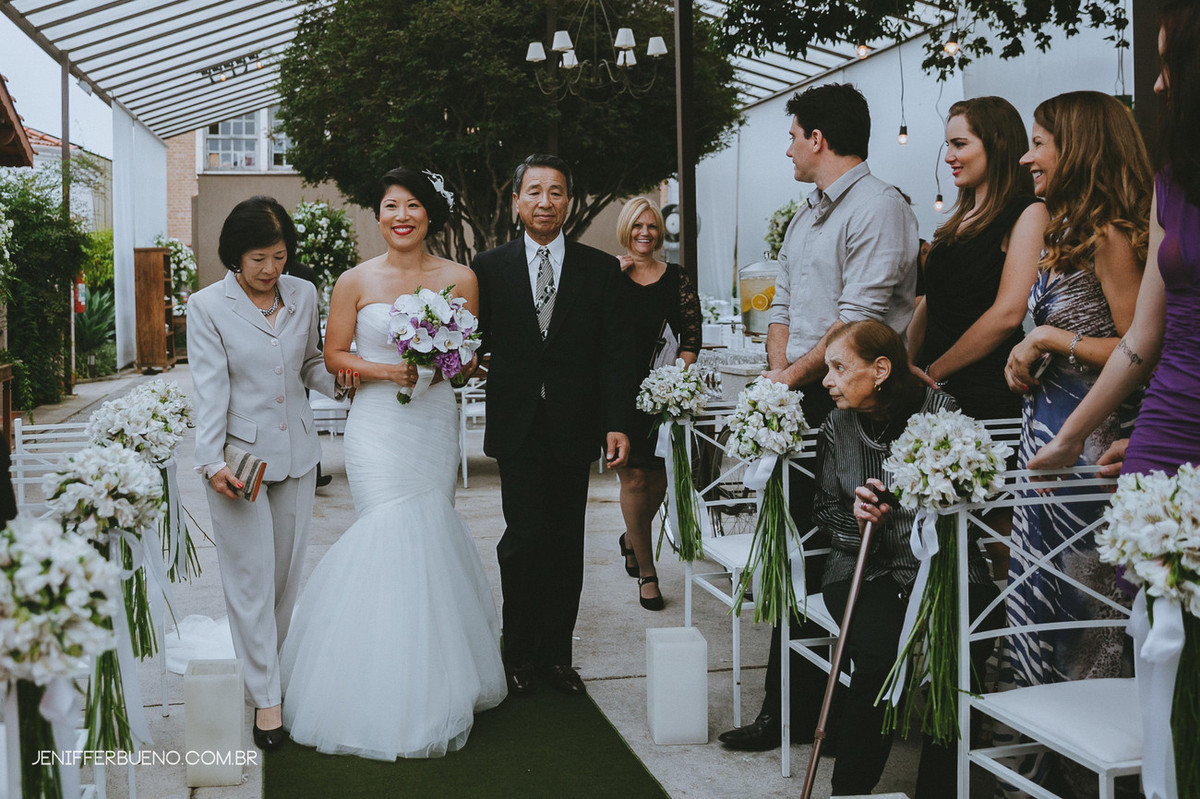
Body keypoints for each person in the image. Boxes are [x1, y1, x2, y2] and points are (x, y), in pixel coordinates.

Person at [277, 168, 506, 759]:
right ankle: (372, 679)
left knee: (431, 535)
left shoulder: (461, 278)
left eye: (412, 206)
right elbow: (333, 353)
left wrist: (453, 361)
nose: (401, 216)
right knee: (386, 531)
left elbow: (468, 359)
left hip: (432, 421)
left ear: (430, 214)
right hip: (377, 424)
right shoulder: (355, 280)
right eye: (389, 206)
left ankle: (434, 678)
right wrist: (386, 370)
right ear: (378, 216)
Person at [718, 82, 920, 751]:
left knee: (842, 555)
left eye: (793, 134)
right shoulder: (806, 213)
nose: (788, 148)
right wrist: (779, 379)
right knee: (796, 552)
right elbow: (781, 306)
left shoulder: (880, 208)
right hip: (802, 392)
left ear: (819, 139)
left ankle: (843, 714)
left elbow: (854, 323)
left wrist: (794, 376)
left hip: (858, 406)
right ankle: (793, 711)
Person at [997, 91, 1151, 794]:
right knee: (1039, 603)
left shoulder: (1113, 235)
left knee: (1084, 617)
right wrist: (1023, 354)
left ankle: (1087, 773)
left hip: (1089, 456)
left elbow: (1138, 345)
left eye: (1039, 142)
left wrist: (1051, 336)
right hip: (1045, 442)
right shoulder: (1062, 230)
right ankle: (1050, 767)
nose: (1027, 157)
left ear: (1078, 146)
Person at [471, 154, 637, 696]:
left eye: (557, 192)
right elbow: (475, 343)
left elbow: (615, 355)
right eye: (535, 191)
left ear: (571, 201)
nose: (546, 202)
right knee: (523, 539)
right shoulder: (488, 267)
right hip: (518, 425)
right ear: (516, 200)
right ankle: (515, 653)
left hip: (575, 424)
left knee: (567, 541)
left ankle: (555, 658)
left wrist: (616, 422)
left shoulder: (598, 270)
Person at [814, 320, 1000, 798]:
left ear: (880, 369)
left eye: (838, 367)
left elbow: (970, 501)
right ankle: (850, 791)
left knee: (964, 649)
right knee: (879, 655)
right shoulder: (836, 423)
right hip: (861, 567)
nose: (826, 380)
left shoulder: (942, 411)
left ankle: (940, 789)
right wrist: (857, 524)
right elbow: (824, 507)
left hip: (942, 564)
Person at [188, 196, 339, 750]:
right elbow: (209, 390)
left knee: (282, 581)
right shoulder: (206, 307)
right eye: (258, 258)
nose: (271, 269)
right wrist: (209, 462)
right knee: (249, 583)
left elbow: (308, 364)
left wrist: (346, 380)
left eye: (279, 256)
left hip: (299, 456)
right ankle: (267, 704)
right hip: (237, 464)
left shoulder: (304, 294)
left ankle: (268, 676)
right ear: (234, 255)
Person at [1030, 0, 1200, 480]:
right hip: (1168, 419)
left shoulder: (1110, 236)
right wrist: (1069, 438)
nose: (1158, 83)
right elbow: (1141, 338)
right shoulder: (1171, 186)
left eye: (1172, 66)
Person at [907, 96, 1046, 580]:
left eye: (960, 143)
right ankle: (964, 642)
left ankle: (1010, 645)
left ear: (998, 145)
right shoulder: (957, 219)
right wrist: (905, 363)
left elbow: (1008, 313)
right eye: (947, 144)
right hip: (933, 392)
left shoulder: (1028, 213)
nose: (949, 156)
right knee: (942, 526)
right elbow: (932, 300)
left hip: (986, 393)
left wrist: (936, 371)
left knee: (997, 524)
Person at [613, 196, 702, 611]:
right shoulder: (610, 277)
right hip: (620, 393)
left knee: (662, 479)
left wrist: (673, 380)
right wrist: (610, 278)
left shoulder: (677, 278)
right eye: (637, 226)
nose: (645, 233)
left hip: (666, 393)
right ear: (626, 229)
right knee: (633, 479)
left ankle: (633, 537)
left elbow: (691, 338)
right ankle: (648, 573)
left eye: (651, 226)